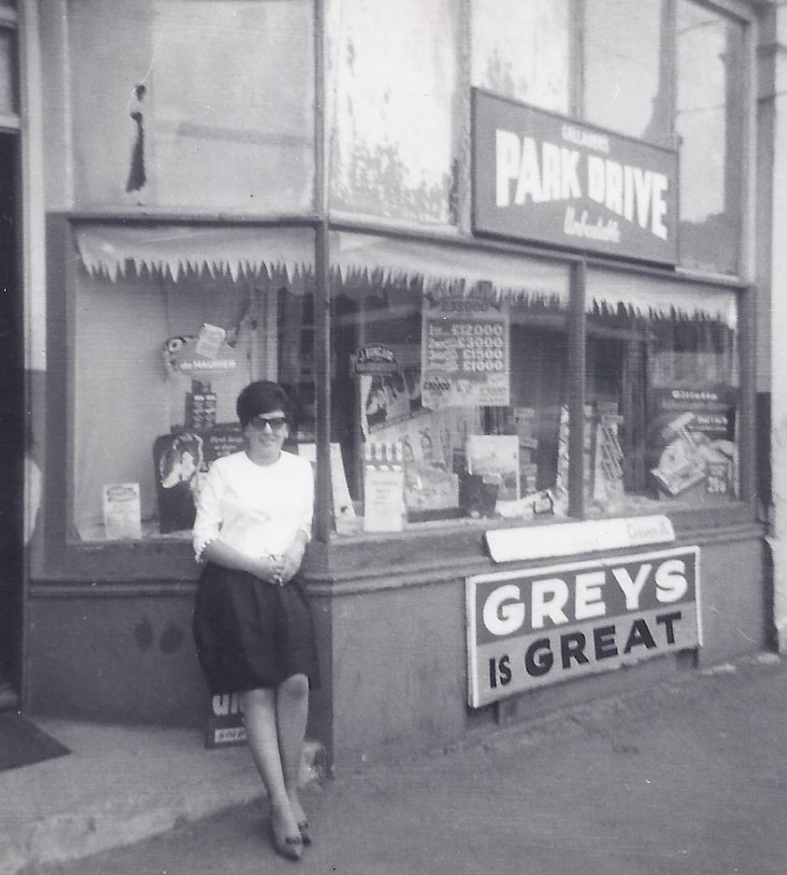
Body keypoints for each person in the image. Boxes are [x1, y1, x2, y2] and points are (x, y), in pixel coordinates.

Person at [192, 381, 319, 862]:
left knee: (296, 684)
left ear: (288, 427)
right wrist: (255, 566)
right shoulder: (223, 472)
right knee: (257, 691)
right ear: (244, 427)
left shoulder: (300, 469)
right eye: (260, 422)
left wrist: (294, 551)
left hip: (285, 582)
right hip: (237, 586)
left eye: (279, 422)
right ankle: (279, 805)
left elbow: (303, 523)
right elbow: (203, 541)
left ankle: (292, 788)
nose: (270, 431)